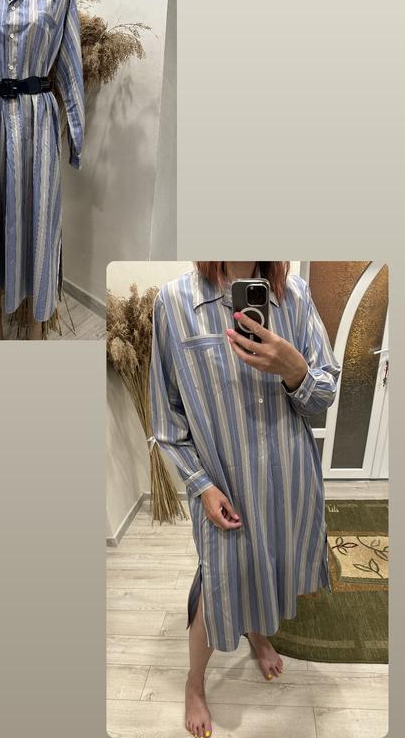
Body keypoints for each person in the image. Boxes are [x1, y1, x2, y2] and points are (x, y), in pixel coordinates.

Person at [149, 261, 341, 738]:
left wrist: (295, 370)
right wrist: (201, 485)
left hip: (287, 479)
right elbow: (166, 418)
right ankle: (195, 683)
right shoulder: (175, 303)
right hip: (225, 488)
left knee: (269, 568)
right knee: (217, 585)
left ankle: (258, 635)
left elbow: (323, 395)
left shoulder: (295, 297)